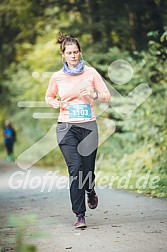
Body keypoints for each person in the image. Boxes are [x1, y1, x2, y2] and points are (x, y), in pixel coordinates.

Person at [45, 34, 110, 228]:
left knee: (87, 170)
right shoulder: (57, 76)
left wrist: (94, 94)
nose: (73, 56)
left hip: (88, 127)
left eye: (75, 52)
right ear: (63, 55)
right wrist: (55, 102)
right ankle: (80, 214)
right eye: (69, 53)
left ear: (80, 53)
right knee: (75, 169)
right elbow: (48, 96)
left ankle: (90, 190)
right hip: (66, 128)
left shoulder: (90, 73)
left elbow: (106, 96)